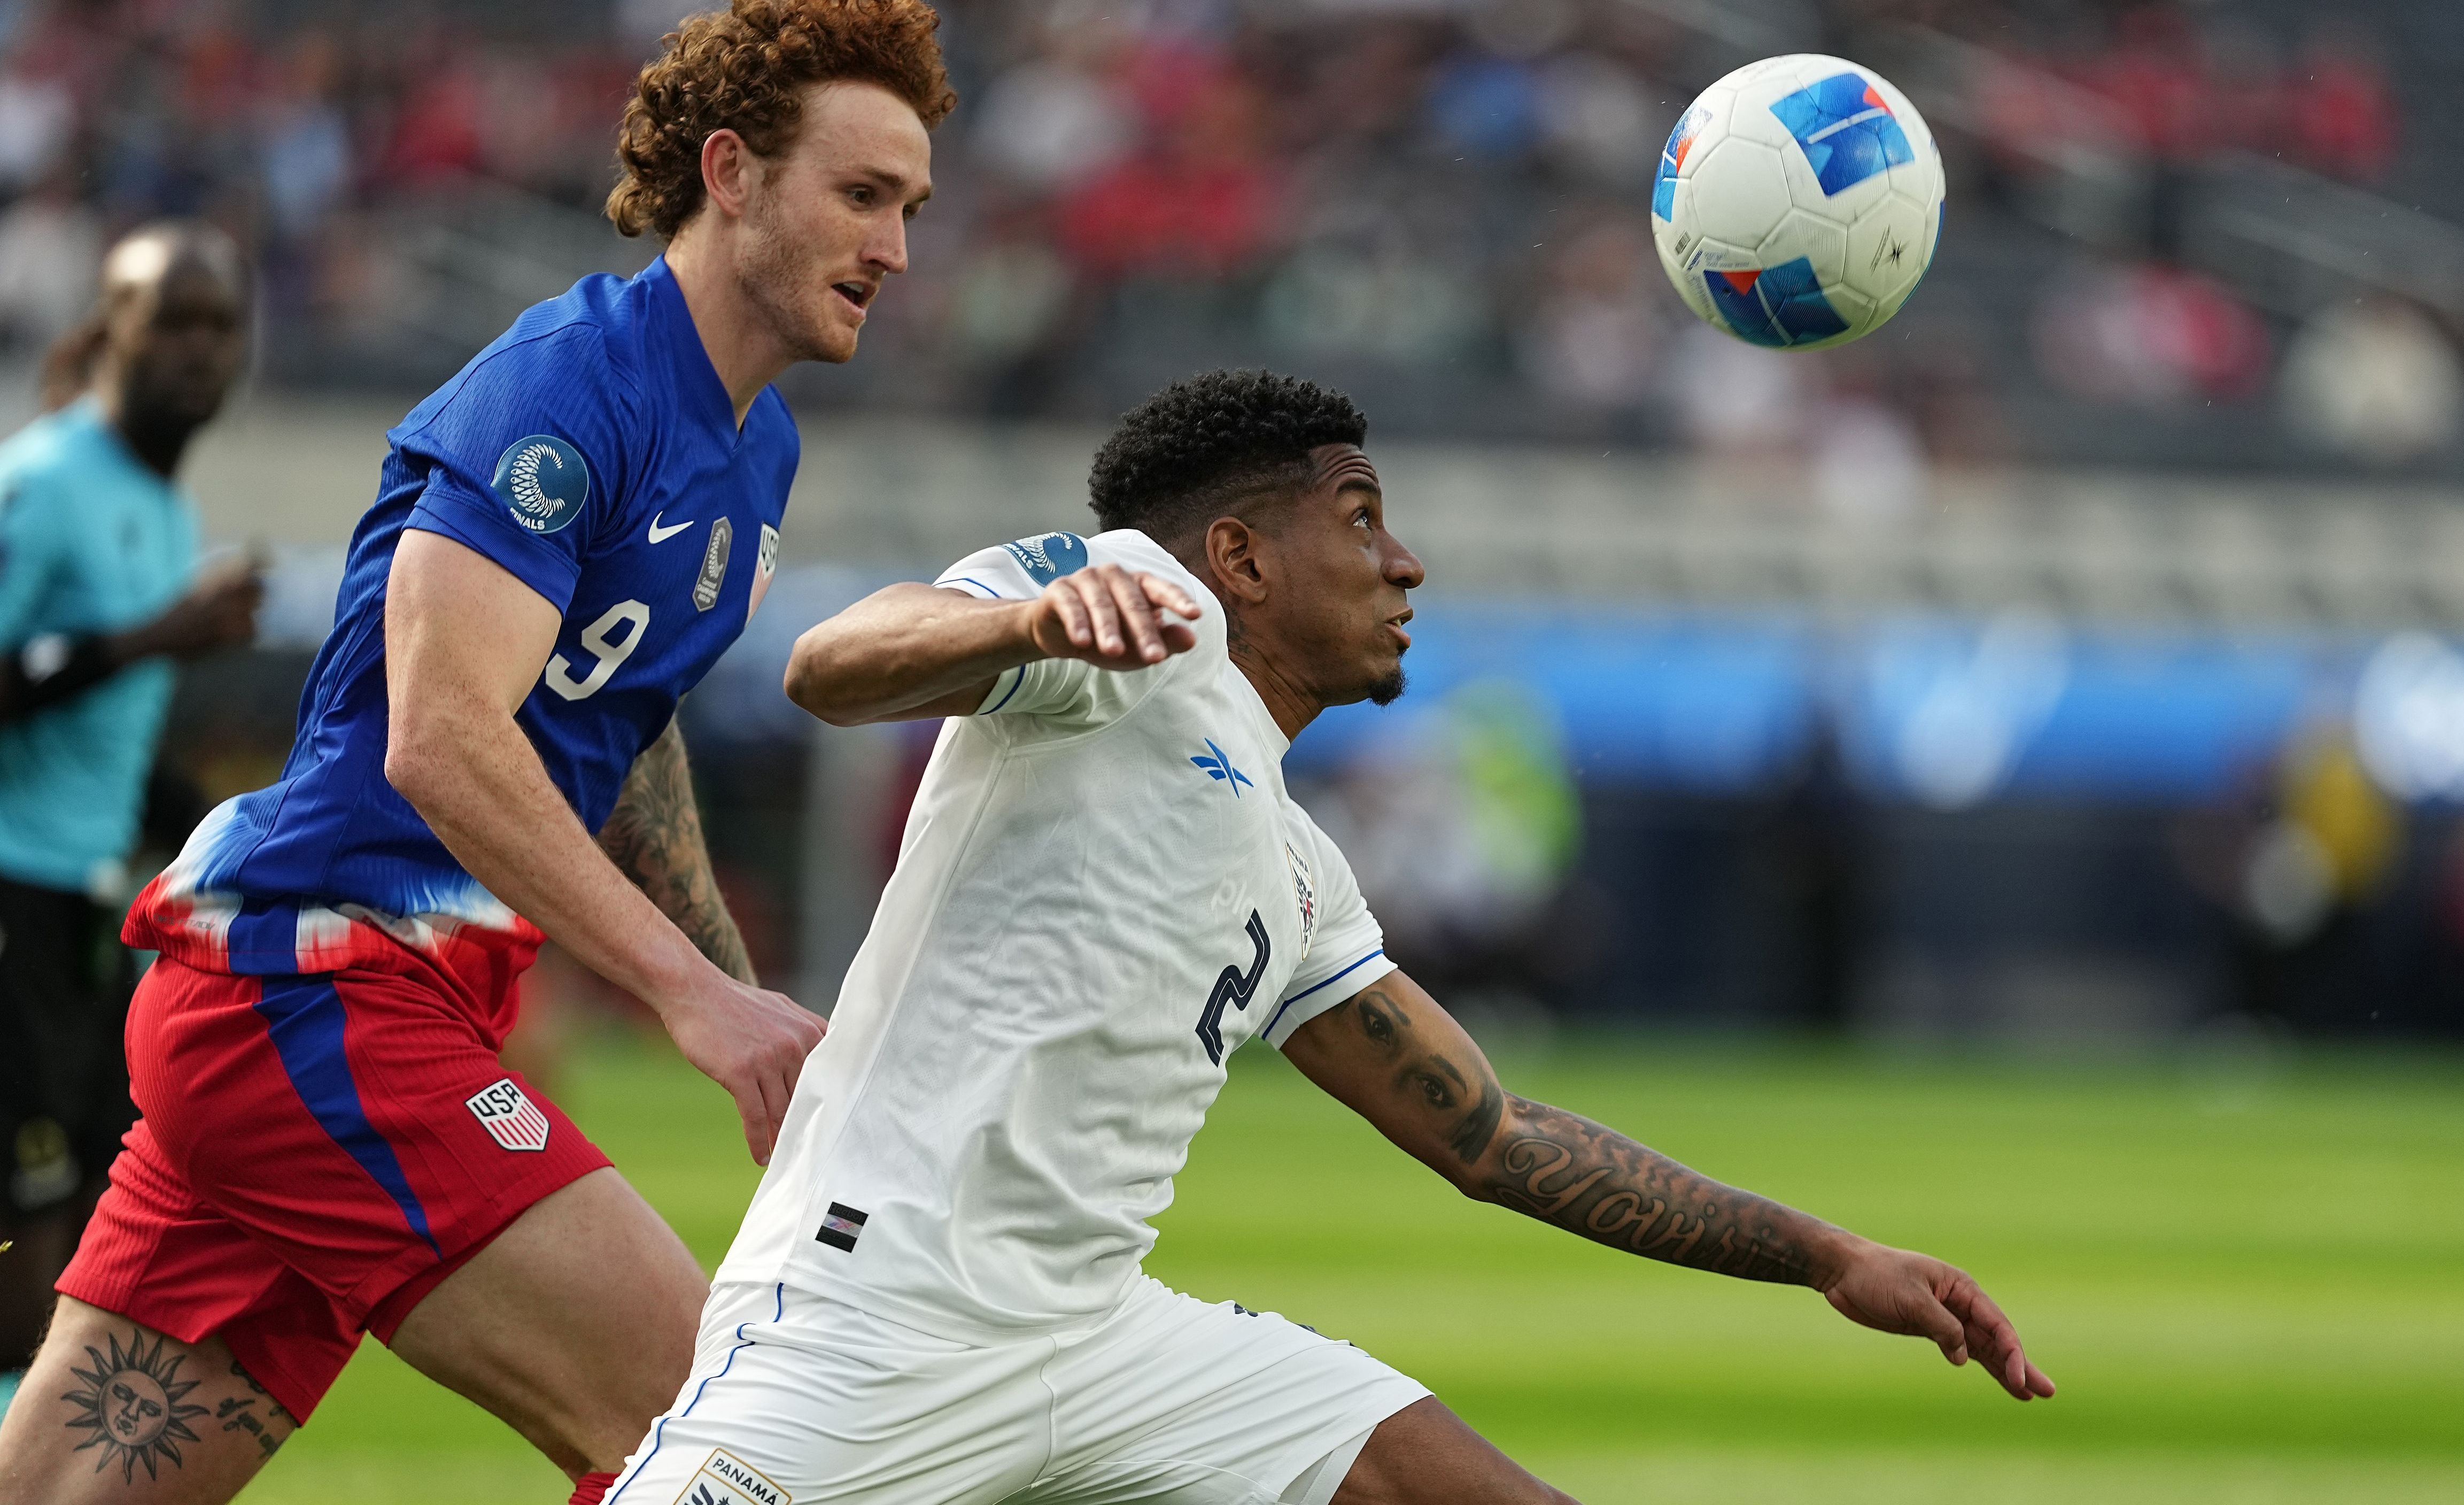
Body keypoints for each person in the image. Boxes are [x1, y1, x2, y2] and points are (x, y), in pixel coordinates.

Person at [610, 370, 2052, 1505]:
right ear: (1235, 555)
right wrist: (1034, 622)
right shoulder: (1131, 620)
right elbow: (828, 662)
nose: (1406, 562)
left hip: (1095, 1334)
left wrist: (1825, 1255)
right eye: (1361, 518)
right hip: (881, 1310)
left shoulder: (1296, 870)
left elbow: (1495, 1137)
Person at [0, 4, 956, 1502]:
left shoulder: (754, 446)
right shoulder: (565, 388)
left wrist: (739, 999)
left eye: (908, 206)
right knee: (712, 1438)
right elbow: (443, 740)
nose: (895, 246)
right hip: (314, 995)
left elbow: (616, 732)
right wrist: (691, 997)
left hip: (320, 1011)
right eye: (860, 194)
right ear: (731, 173)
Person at [0, 223, 264, 1403]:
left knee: (104, 1207)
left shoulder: (161, 510)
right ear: (112, 333)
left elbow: (110, 743)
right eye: (176, 325)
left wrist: (236, 835)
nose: (201, 354)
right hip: (12, 892)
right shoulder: (44, 483)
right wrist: (161, 634)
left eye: (222, 329)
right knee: (29, 1228)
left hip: (88, 909)